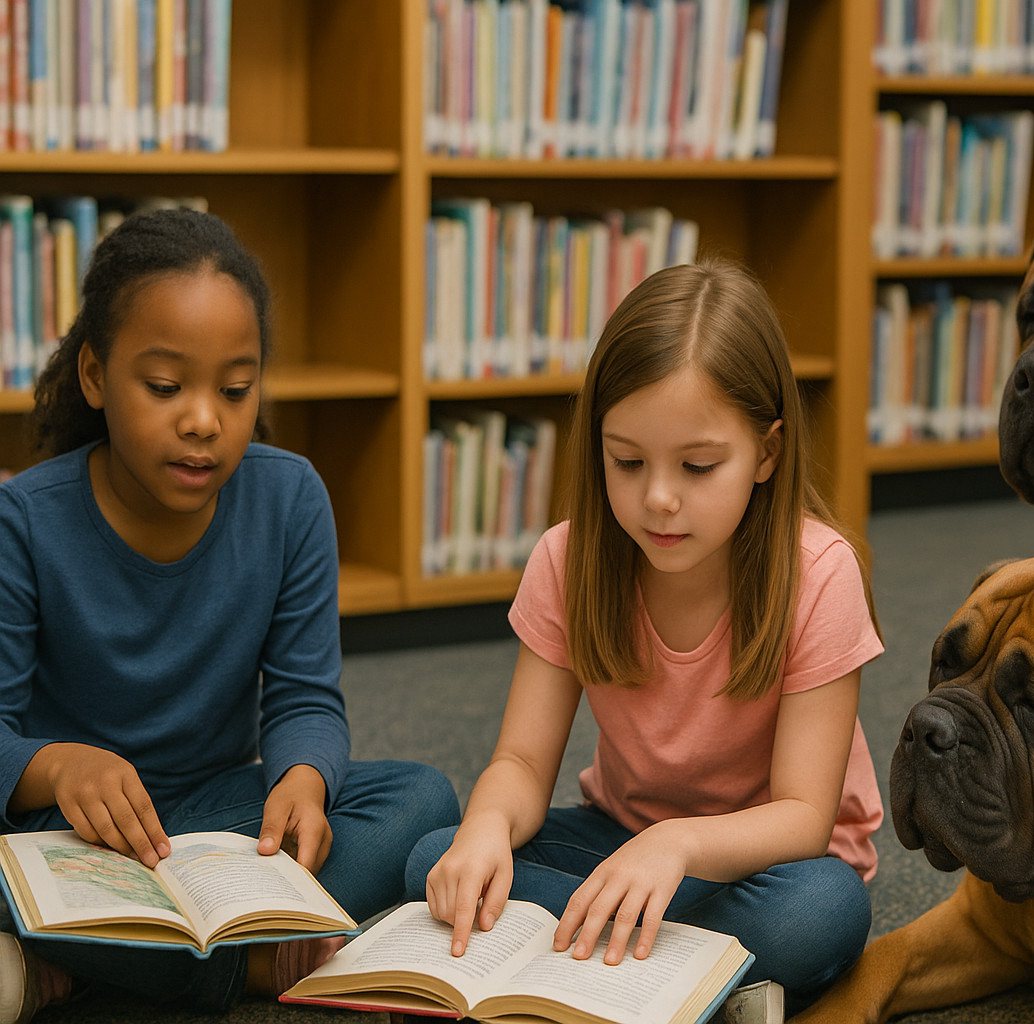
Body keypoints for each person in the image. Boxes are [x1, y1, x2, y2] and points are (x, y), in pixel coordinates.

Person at [0, 207, 461, 1021]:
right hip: (67, 835)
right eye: (166, 387)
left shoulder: (291, 500)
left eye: (236, 389)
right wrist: (61, 766)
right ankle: (247, 968)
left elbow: (305, 697)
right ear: (96, 376)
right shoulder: (26, 522)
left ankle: (80, 967)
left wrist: (303, 779)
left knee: (421, 802)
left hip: (218, 822)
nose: (205, 420)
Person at [405, 258, 885, 1017]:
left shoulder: (819, 574)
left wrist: (680, 847)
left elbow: (803, 815)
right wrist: (487, 829)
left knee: (822, 913)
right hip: (621, 838)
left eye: (698, 466)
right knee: (438, 859)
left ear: (767, 453)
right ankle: (680, 975)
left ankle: (587, 953)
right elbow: (524, 761)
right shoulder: (568, 560)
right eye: (626, 461)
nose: (658, 499)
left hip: (766, 866)